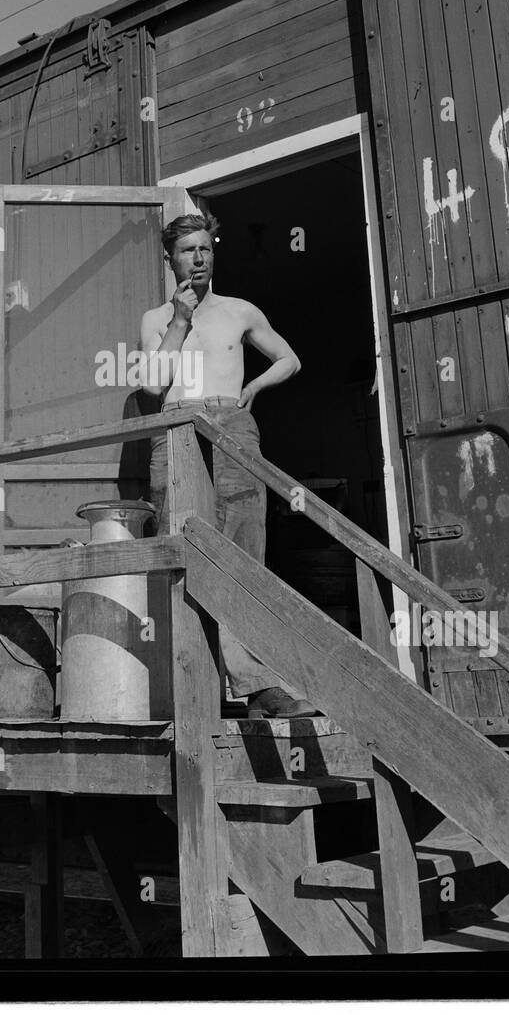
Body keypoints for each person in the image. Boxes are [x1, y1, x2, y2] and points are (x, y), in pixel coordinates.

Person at [138, 209, 318, 718]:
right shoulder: (156, 319)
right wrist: (179, 319)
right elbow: (153, 383)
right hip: (175, 429)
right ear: (169, 257)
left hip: (231, 426)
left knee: (242, 551)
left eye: (206, 248)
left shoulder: (240, 310)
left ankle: (258, 685)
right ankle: (186, 688)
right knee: (179, 551)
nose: (199, 256)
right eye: (188, 249)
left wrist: (254, 387)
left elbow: (289, 358)